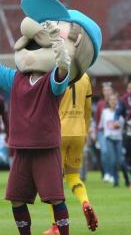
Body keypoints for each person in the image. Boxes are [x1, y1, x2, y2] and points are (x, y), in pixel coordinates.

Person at [0, 15, 72, 235]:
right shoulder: (15, 78)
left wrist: (56, 39)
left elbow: (63, 66)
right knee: (16, 200)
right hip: (21, 149)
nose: (31, 54)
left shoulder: (52, 82)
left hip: (46, 148)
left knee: (55, 199)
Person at [43, 74, 98, 235]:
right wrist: (85, 132)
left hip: (58, 132)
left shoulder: (56, 74)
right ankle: (85, 202)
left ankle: (55, 226)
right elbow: (88, 109)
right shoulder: (85, 77)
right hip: (79, 132)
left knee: (54, 181)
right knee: (73, 176)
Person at [100, 93, 127, 187]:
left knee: (120, 160)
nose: (113, 102)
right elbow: (102, 126)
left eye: (115, 100)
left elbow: (124, 126)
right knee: (112, 160)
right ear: (108, 102)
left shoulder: (121, 113)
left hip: (119, 139)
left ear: (118, 101)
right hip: (109, 138)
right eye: (111, 100)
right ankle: (116, 181)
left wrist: (119, 127)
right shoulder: (105, 112)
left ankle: (126, 177)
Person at [94, 82, 114, 182]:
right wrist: (96, 133)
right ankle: (106, 173)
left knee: (111, 153)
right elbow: (97, 119)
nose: (107, 92)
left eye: (109, 90)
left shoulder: (115, 102)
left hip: (112, 131)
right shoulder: (100, 104)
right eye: (105, 90)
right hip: (102, 132)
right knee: (104, 152)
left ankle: (111, 173)